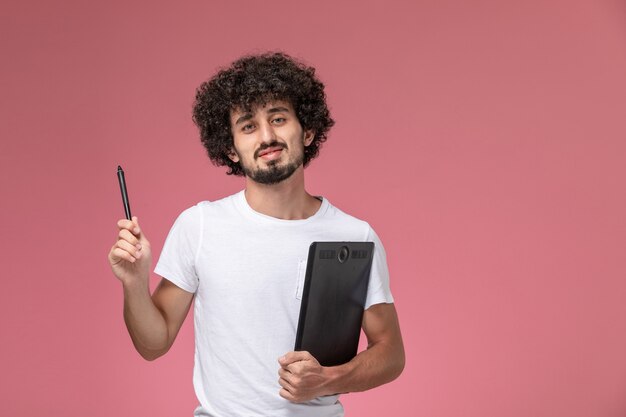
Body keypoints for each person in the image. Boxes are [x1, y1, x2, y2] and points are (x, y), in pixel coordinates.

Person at [108, 52, 405, 417]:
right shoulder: (199, 225)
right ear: (231, 149)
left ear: (307, 130)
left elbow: (390, 353)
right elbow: (153, 345)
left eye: (278, 119)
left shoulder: (355, 235)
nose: (267, 136)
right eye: (248, 126)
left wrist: (329, 379)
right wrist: (134, 283)